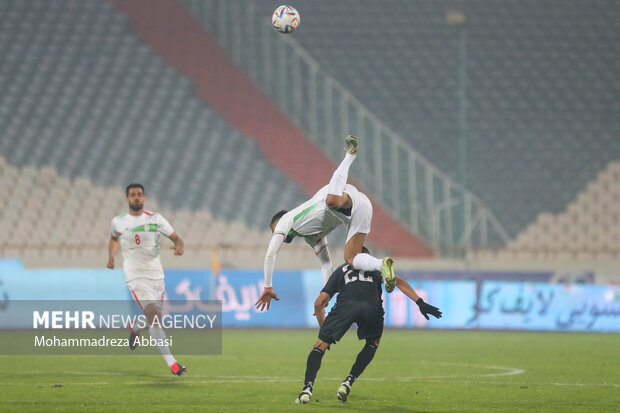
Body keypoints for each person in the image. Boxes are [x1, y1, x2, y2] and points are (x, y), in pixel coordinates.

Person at [256, 135, 397, 312]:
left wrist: (268, 285)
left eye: (273, 230)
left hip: (340, 196)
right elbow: (326, 264)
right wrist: (326, 295)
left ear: (278, 222)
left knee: (331, 201)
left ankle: (349, 156)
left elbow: (271, 254)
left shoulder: (286, 219)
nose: (274, 234)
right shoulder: (313, 236)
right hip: (361, 208)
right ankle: (380, 264)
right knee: (351, 258)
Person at [296, 247, 442, 404]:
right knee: (373, 343)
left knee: (319, 346)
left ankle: (307, 390)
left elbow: (318, 304)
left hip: (346, 306)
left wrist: (324, 331)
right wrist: (419, 302)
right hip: (371, 307)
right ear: (368, 258)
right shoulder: (376, 267)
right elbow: (398, 282)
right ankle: (348, 382)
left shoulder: (341, 270)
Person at [107, 183, 187, 376]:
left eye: (139, 194)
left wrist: (179, 246)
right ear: (127, 199)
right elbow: (114, 238)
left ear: (144, 198)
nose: (136, 197)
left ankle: (135, 327)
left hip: (156, 276)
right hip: (135, 276)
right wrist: (111, 256)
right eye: (133, 195)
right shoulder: (118, 222)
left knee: (158, 318)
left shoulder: (156, 219)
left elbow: (177, 238)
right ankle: (173, 364)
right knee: (154, 317)